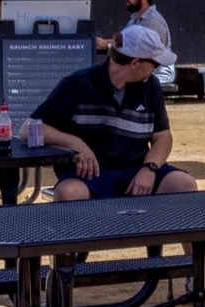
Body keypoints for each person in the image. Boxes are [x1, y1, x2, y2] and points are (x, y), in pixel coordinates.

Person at [36, 25, 196, 201]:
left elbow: (163, 137)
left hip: (136, 169)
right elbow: (30, 129)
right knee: (69, 193)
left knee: (183, 184)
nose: (154, 71)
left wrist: (149, 168)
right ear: (135, 63)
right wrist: (75, 143)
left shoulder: (151, 86)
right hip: (91, 175)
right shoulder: (78, 84)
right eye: (154, 64)